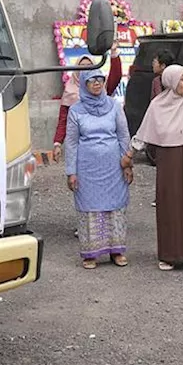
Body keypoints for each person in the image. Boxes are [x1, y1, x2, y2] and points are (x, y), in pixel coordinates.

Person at [125, 65, 183, 271]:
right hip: (169, 158)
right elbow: (144, 133)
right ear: (170, 81)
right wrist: (129, 155)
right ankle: (169, 253)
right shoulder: (158, 105)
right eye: (181, 79)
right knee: (171, 203)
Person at [64, 69, 133, 269]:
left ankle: (117, 251)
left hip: (113, 167)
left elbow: (123, 136)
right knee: (90, 209)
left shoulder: (114, 106)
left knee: (115, 206)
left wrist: (127, 164)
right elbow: (72, 142)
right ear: (84, 84)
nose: (96, 83)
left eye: (100, 80)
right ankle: (91, 254)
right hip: (87, 169)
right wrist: (71, 172)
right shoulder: (76, 110)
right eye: (92, 80)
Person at [53, 48, 123, 161]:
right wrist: (57, 143)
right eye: (82, 67)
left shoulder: (100, 89)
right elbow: (63, 121)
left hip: (105, 146)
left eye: (89, 67)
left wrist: (114, 53)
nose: (85, 70)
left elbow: (115, 77)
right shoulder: (70, 92)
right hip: (81, 149)